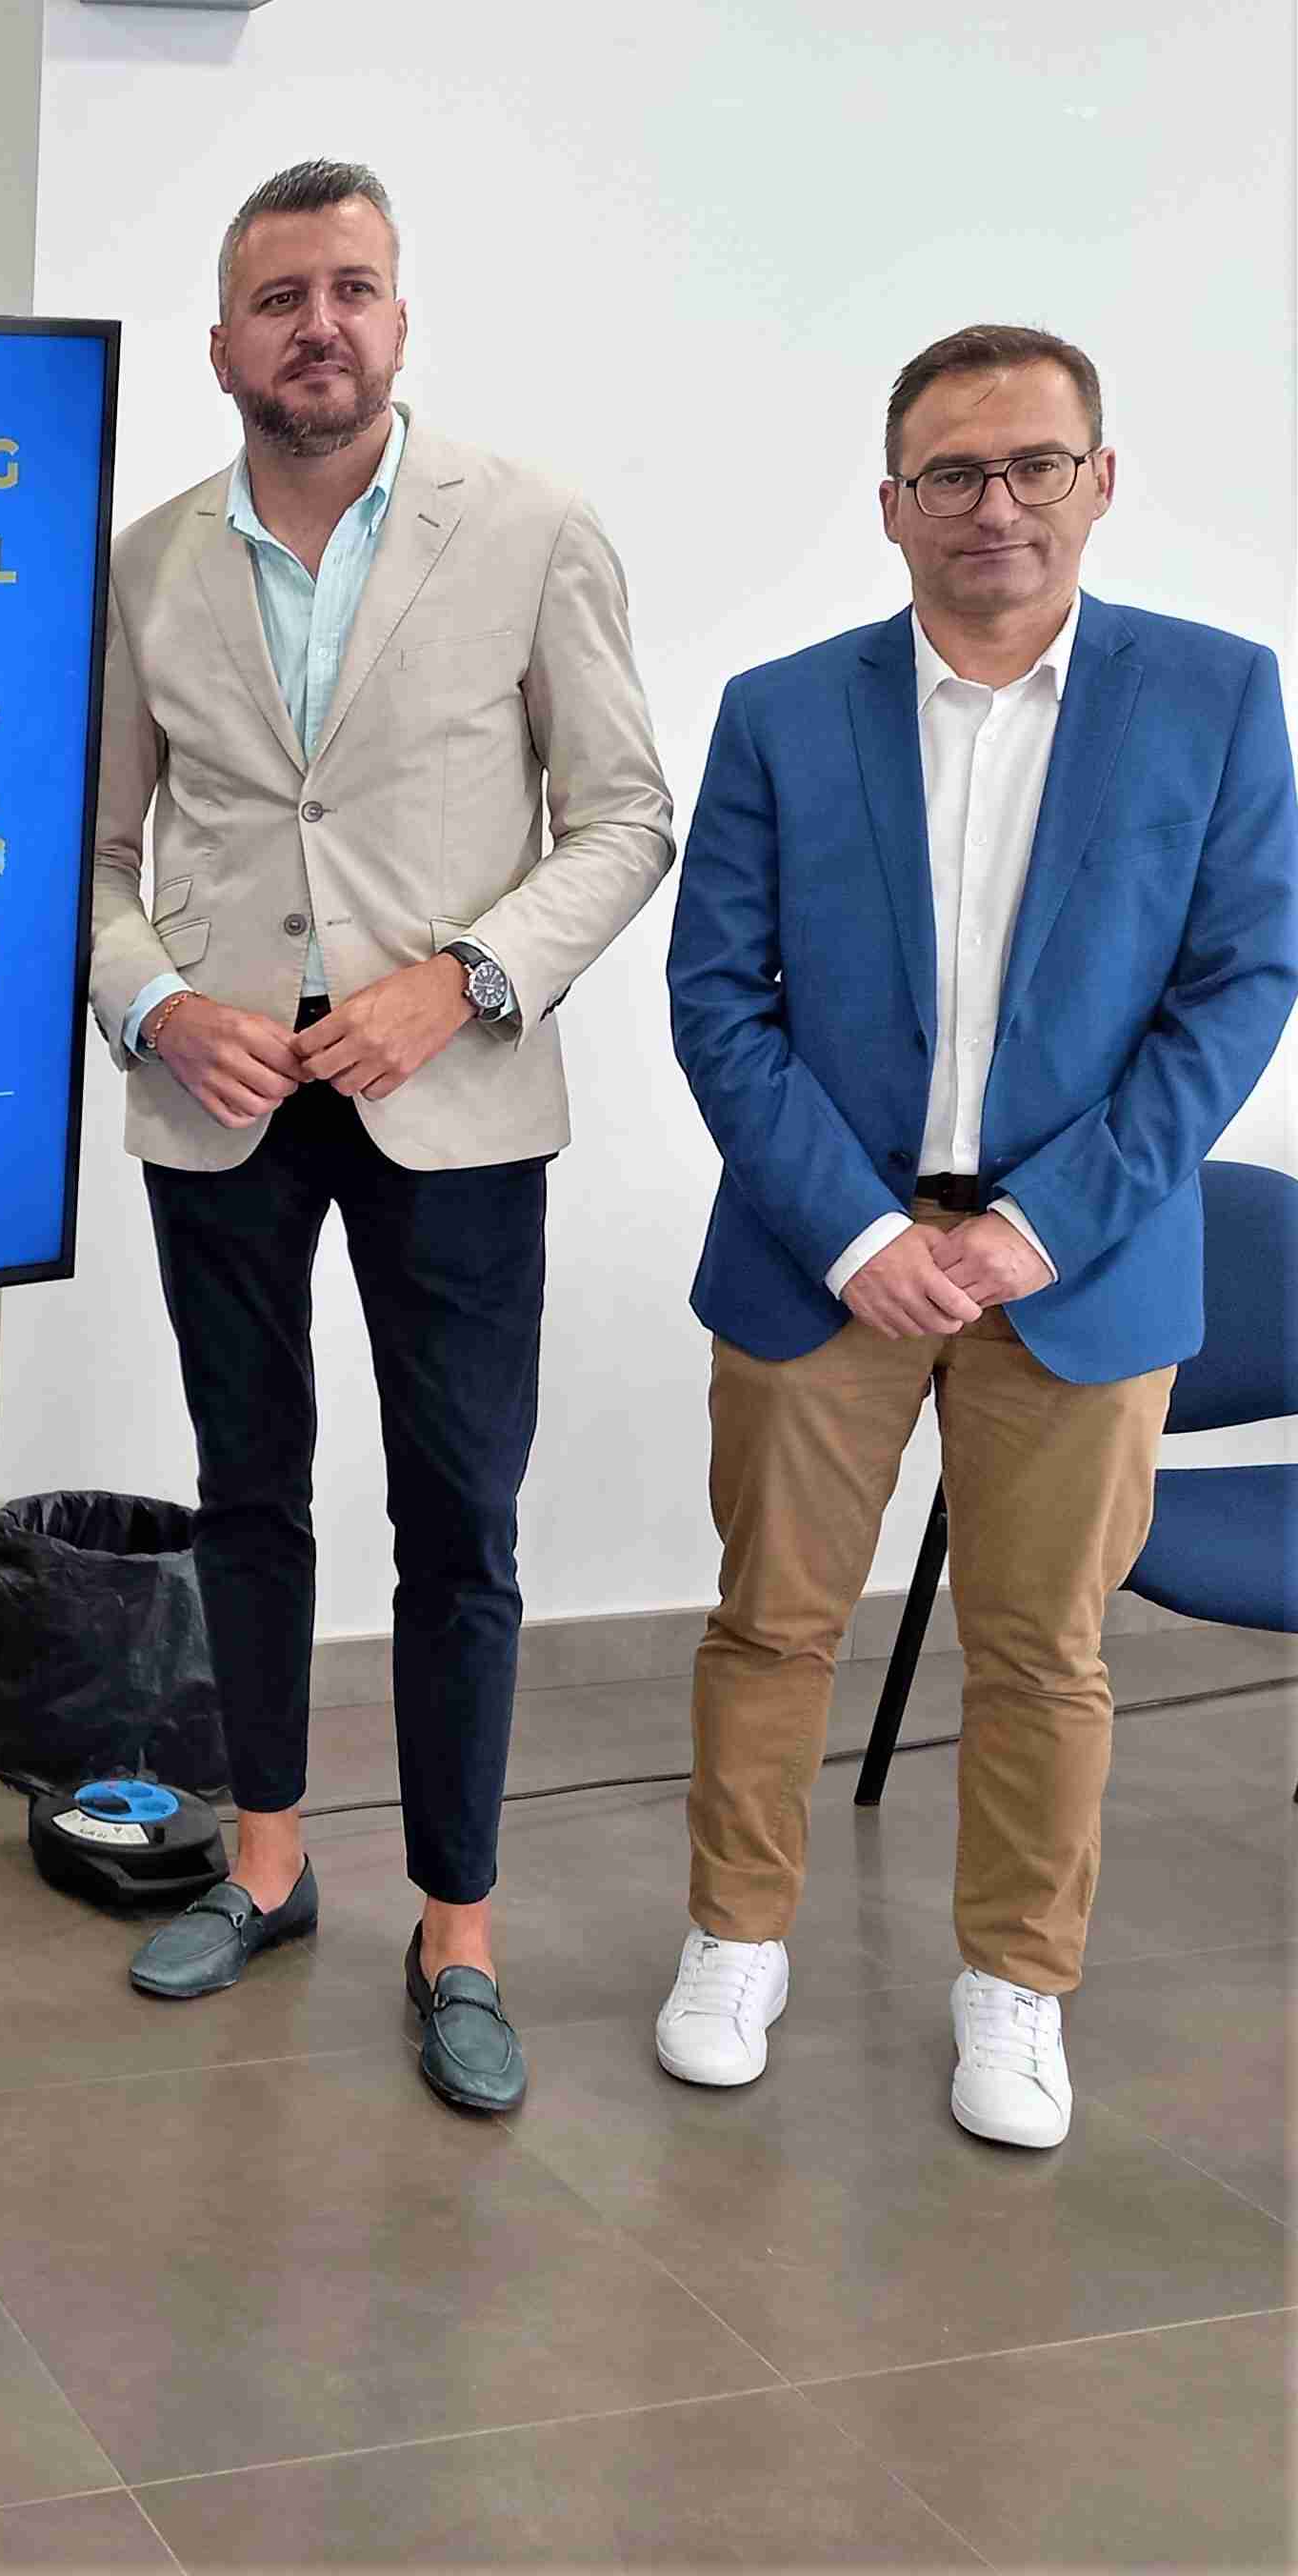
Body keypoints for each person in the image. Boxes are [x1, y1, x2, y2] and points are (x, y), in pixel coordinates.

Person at [657, 324, 1297, 2146]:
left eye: (1033, 464)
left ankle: (1015, 1985)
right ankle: (735, 1931)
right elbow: (720, 999)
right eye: (951, 472)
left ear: (1100, 481)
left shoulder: (1214, 694)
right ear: (891, 505)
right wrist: (859, 1228)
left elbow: (1241, 985)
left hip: (1081, 1272)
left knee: (1043, 1650)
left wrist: (1037, 1224)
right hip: (820, 1252)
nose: (993, 504)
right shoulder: (785, 708)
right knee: (772, 1623)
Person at [83, 161, 674, 2112]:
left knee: (458, 1520)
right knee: (245, 1489)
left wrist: (469, 978)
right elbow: (86, 861)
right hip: (217, 1093)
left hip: (452, 1099)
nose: (310, 323)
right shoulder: (146, 560)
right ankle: (261, 1856)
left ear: (396, 321)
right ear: (221, 345)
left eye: (346, 288)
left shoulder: (525, 527)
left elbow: (617, 817)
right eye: (274, 296)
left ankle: (457, 1923)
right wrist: (156, 999)